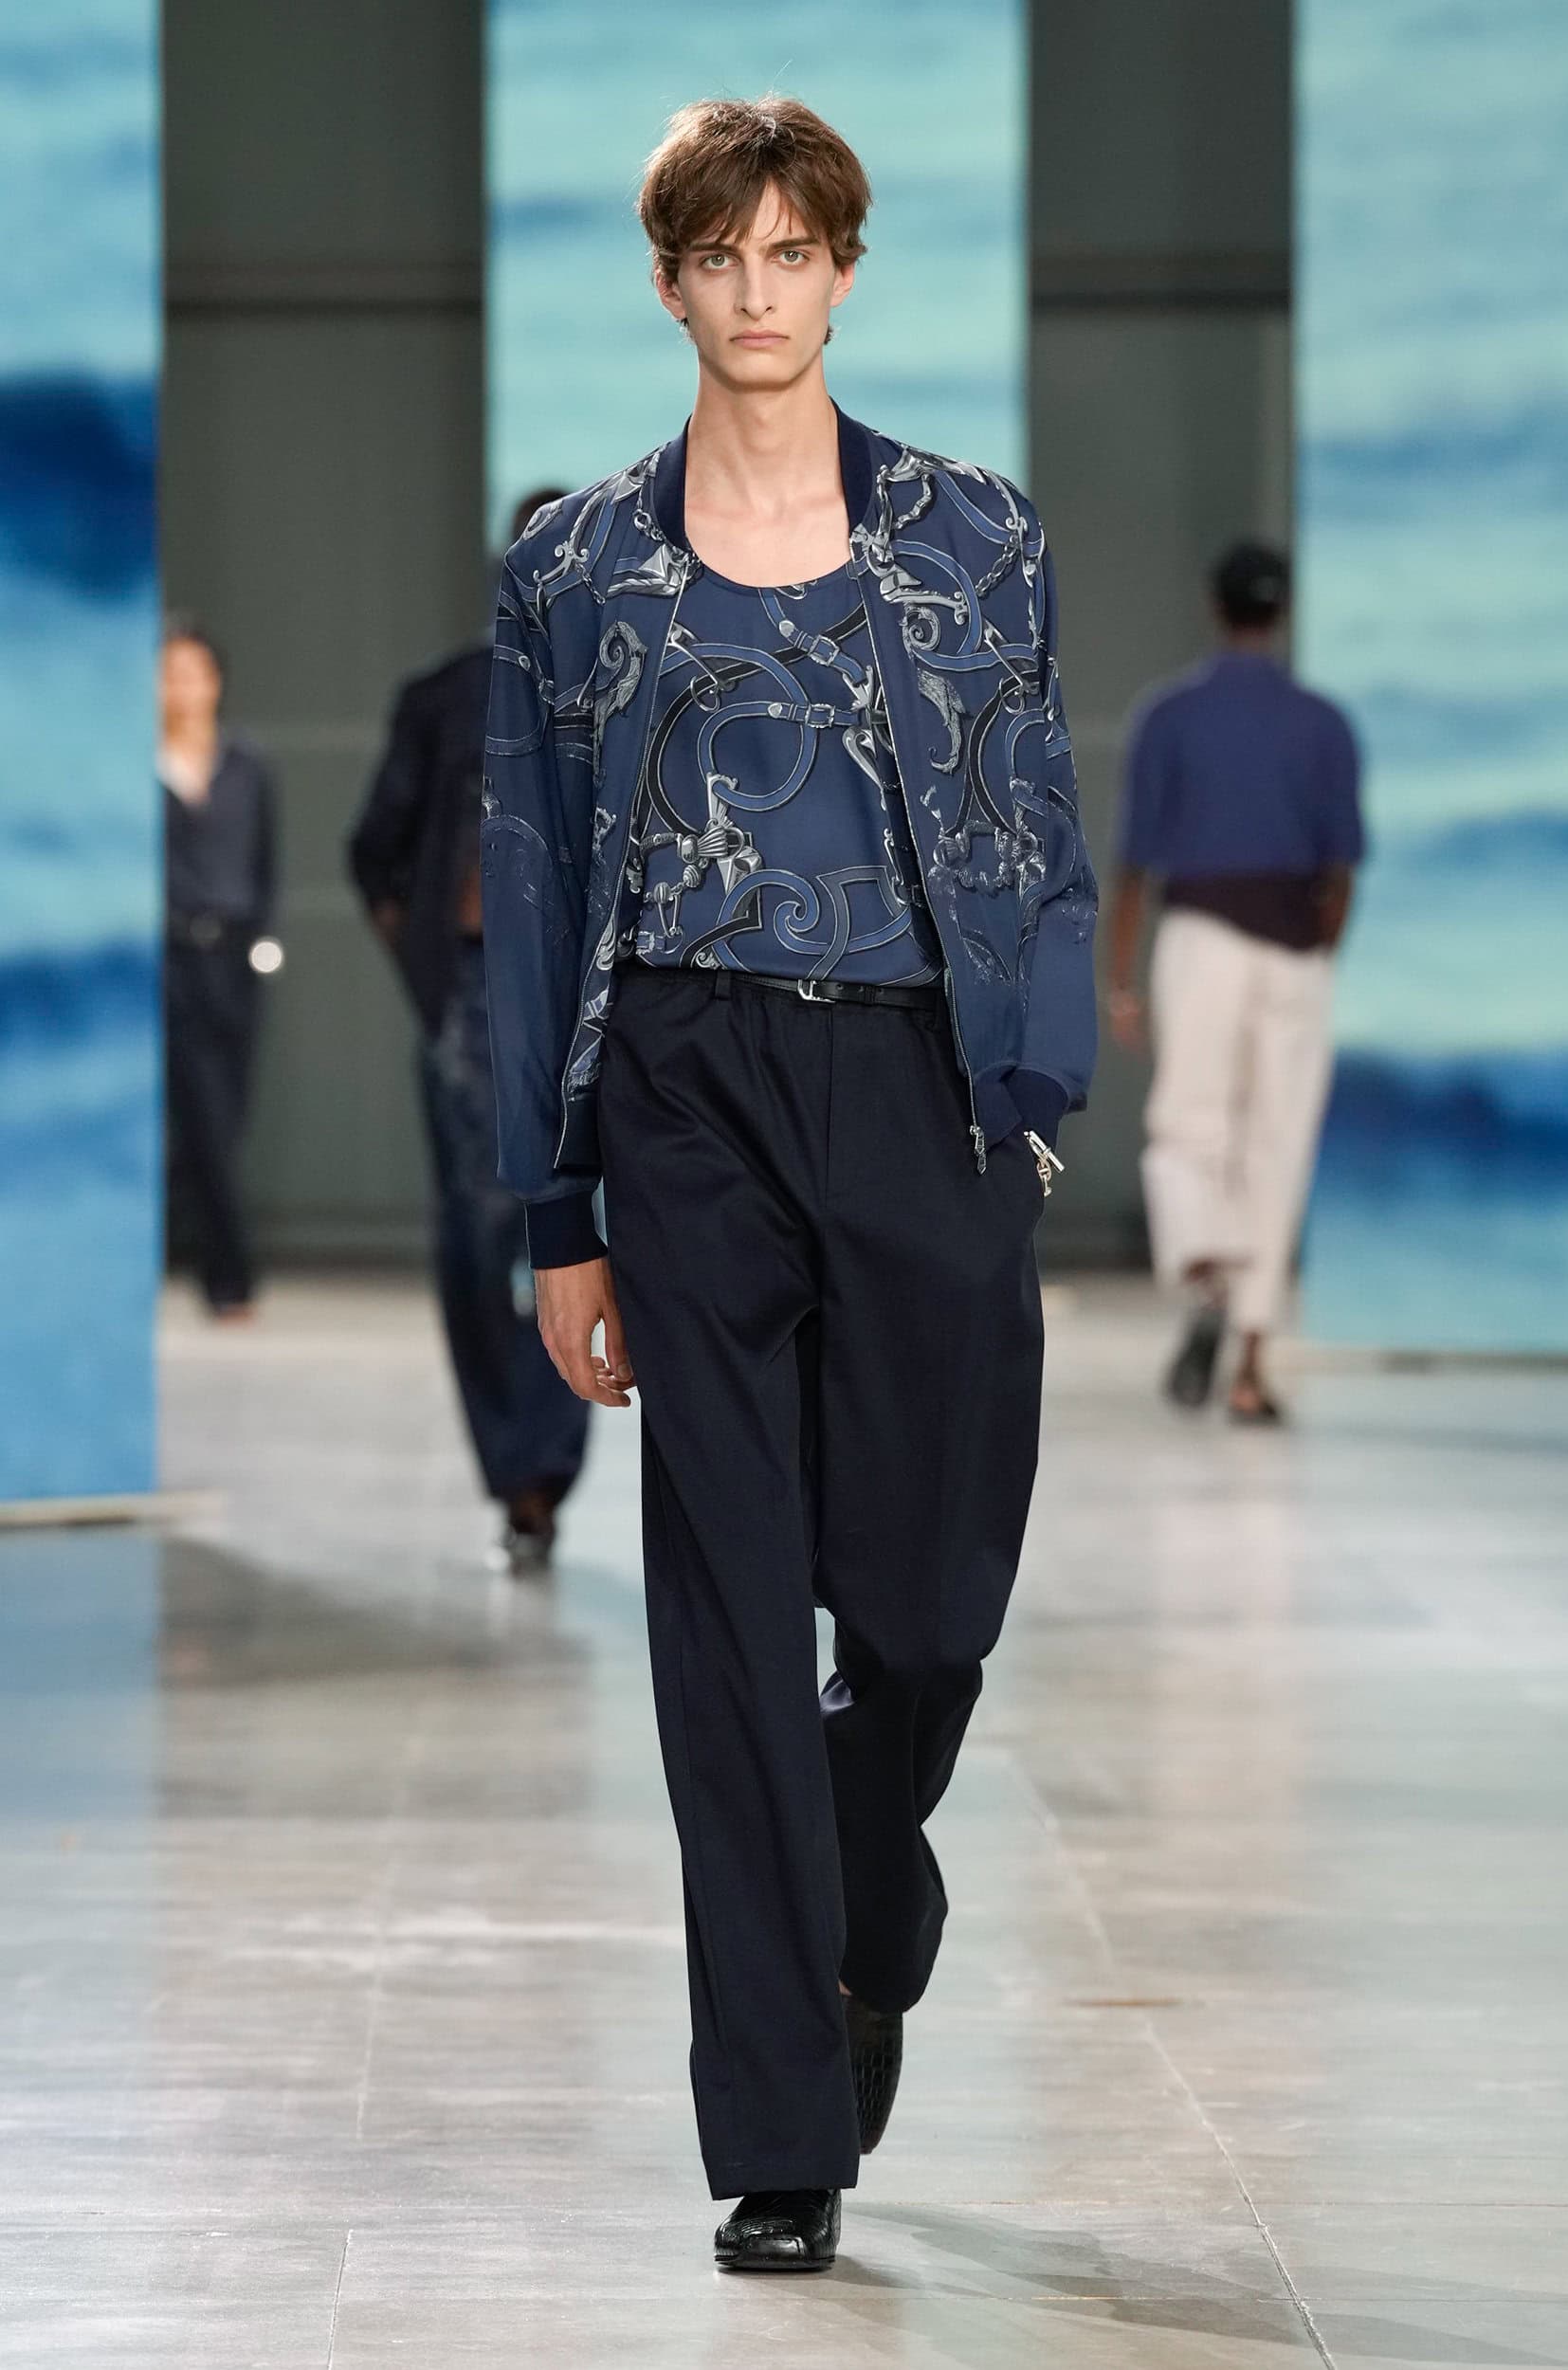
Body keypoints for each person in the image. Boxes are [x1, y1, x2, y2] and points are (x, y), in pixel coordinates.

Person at [481, 97, 1096, 2271]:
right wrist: (555, 1209)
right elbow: (531, 888)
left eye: (790, 253)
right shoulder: (575, 569)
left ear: (842, 268)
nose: (756, 293)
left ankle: (866, 1890)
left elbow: (1038, 822)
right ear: (671, 282)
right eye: (718, 257)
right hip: (684, 1086)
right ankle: (777, 2130)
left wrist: (1034, 1086)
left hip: (923, 1084)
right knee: (726, 1612)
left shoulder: (974, 534)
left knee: (923, 1610)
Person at [348, 492, 590, 1573]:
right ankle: (521, 1470)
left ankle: (543, 1467)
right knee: (483, 1231)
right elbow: (376, 853)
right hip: (477, 989)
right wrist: (436, 974)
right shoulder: (445, 699)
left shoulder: (634, 692)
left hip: (598, 993)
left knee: (581, 1225)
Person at [1106, 540, 1364, 1422]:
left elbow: (1134, 864)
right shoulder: (1323, 723)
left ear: (1214, 608)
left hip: (1201, 937)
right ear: (1282, 612)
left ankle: (1207, 1278)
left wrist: (1120, 982)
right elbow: (1340, 871)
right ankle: (1251, 1366)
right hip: (1294, 944)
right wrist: (1317, 955)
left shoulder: (1169, 715)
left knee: (1190, 1123)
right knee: (1276, 1140)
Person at [160, 617, 277, 1320]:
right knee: (197, 1113)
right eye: (168, 674)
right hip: (164, 955)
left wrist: (263, 946)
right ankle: (229, 1277)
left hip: (232, 957)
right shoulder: (136, 766)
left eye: (193, 673)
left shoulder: (247, 764)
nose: (181, 688)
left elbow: (267, 863)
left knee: (223, 1116)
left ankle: (202, 1258)